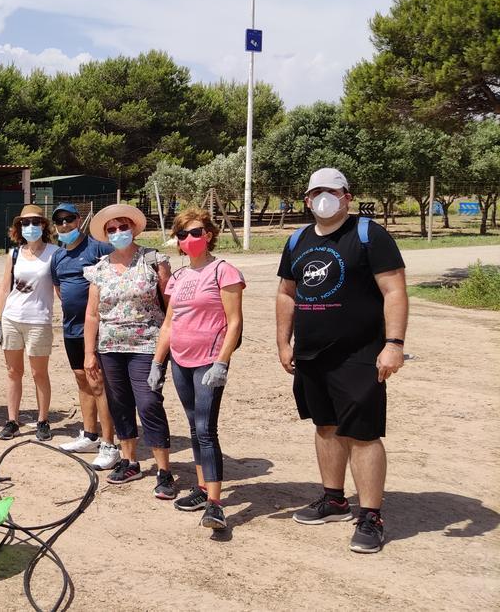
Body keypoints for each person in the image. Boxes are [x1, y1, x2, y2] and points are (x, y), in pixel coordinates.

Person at [277, 168, 407, 554]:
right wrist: (283, 342)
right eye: (316, 192)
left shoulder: (369, 234)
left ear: (347, 196)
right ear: (306, 199)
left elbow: (394, 290)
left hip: (360, 353)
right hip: (311, 354)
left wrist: (394, 343)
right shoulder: (297, 239)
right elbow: (287, 293)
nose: (323, 198)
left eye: (331, 191)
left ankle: (371, 516)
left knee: (363, 433)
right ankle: (334, 500)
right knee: (326, 426)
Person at [151, 208, 245, 531]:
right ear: (177, 243)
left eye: (195, 232)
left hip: (208, 362)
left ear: (208, 235)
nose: (189, 239)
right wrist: (157, 363)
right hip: (180, 360)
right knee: (193, 426)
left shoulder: (224, 272)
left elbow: (234, 322)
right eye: (182, 235)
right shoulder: (177, 278)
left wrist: (222, 362)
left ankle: (216, 505)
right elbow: (168, 324)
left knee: (206, 428)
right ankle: (203, 489)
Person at [83, 204, 177, 499]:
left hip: (147, 344)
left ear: (134, 229)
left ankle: (164, 470)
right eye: (112, 229)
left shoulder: (153, 260)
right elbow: (92, 315)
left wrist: (168, 342)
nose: (118, 233)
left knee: (148, 402)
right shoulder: (99, 268)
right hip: (110, 347)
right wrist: (89, 352)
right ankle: (130, 461)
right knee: (119, 404)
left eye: (123, 227)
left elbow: (170, 303)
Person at [49, 203, 120, 470]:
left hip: (97, 330)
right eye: (59, 221)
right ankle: (89, 434)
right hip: (71, 329)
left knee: (99, 383)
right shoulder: (58, 256)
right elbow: (59, 288)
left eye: (69, 219)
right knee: (81, 379)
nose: (65, 225)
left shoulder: (98, 248)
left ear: (79, 219)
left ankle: (109, 443)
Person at [0, 205, 61, 442]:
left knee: (38, 373)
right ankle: (13, 420)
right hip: (12, 318)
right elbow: (4, 288)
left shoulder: (54, 253)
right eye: (25, 223)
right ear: (19, 227)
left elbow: (60, 288)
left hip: (38, 321)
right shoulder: (14, 254)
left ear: (43, 225)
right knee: (13, 372)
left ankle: (43, 420)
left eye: (35, 222)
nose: (30, 227)